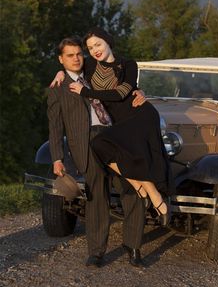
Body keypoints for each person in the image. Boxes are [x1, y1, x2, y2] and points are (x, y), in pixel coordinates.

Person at [48, 36, 146, 269]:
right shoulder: (57, 89)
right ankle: (96, 252)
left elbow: (121, 87)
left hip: (116, 136)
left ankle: (132, 245)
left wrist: (139, 91)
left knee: (131, 186)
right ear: (61, 60)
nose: (76, 59)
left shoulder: (94, 74)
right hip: (86, 144)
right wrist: (57, 157)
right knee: (97, 195)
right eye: (70, 55)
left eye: (79, 54)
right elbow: (55, 126)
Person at [67, 28, 175, 224]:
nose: (95, 50)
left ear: (108, 42)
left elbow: (120, 94)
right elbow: (69, 67)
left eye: (98, 45)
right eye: (90, 48)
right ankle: (147, 190)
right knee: (99, 146)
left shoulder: (128, 64)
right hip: (119, 121)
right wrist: (59, 73)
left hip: (141, 115)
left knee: (122, 150)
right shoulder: (90, 64)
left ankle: (151, 196)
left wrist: (86, 92)